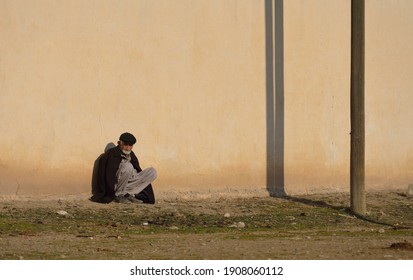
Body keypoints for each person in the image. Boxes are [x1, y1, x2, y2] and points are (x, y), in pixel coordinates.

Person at [90, 132, 157, 204]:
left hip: (128, 184)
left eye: (130, 145)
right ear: (119, 143)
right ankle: (119, 195)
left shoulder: (131, 154)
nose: (128, 148)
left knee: (152, 172)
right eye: (125, 145)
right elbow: (107, 176)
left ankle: (128, 194)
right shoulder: (111, 154)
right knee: (128, 167)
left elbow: (137, 169)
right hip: (115, 185)